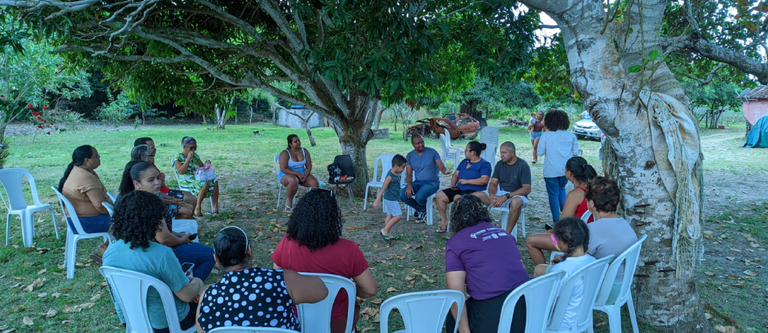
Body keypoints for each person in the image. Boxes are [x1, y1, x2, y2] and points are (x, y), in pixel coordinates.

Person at [271, 189, 378, 333]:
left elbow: (277, 279)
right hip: (337, 325)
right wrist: (347, 290)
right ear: (333, 217)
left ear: (300, 216)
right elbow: (370, 290)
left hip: (298, 322)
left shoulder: (286, 242)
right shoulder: (349, 249)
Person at [103, 190, 206, 333]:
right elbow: (186, 295)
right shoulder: (162, 254)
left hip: (132, 321)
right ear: (154, 220)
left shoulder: (110, 252)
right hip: (169, 323)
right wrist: (197, 282)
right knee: (207, 291)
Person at [196, 226, 328, 332]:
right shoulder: (280, 280)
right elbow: (322, 291)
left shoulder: (207, 297)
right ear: (249, 251)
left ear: (216, 260)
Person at [445, 195, 529, 333]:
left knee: (452, 313)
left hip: (493, 313)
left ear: (456, 218)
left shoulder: (455, 243)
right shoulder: (504, 233)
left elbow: (456, 293)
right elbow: (522, 270)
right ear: (483, 212)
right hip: (526, 307)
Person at [122, 161, 215, 280]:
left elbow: (158, 232)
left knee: (197, 248)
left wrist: (179, 235)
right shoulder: (150, 204)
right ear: (137, 183)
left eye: (158, 178)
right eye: (151, 180)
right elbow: (164, 239)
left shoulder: (132, 200)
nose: (157, 183)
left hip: (141, 254)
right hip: (157, 256)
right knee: (210, 254)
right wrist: (181, 240)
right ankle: (188, 287)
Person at [526, 156, 597, 265]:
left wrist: (552, 230)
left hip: (572, 240)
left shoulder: (575, 195)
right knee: (550, 239)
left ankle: (544, 274)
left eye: (565, 170)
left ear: (570, 173)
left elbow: (564, 224)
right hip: (589, 236)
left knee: (531, 240)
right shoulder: (594, 191)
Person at [533, 217, 595, 331]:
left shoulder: (561, 270)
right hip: (580, 318)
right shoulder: (593, 261)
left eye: (555, 239)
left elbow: (550, 302)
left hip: (560, 324)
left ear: (563, 242)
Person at [585, 177, 638, 302]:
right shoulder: (623, 223)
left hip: (606, 291)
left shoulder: (593, 229)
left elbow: (577, 259)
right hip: (622, 286)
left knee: (547, 274)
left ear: (591, 203)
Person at [58, 145, 112, 259]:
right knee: (127, 222)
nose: (99, 158)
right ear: (87, 160)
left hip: (77, 220)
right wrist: (117, 213)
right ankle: (108, 253)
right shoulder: (86, 177)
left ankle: (107, 249)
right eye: (97, 156)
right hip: (85, 223)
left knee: (124, 220)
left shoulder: (79, 171)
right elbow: (101, 206)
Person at [435, 141, 491, 233]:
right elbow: (456, 174)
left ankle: (461, 226)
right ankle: (444, 221)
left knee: (458, 198)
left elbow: (484, 180)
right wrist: (453, 183)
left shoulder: (484, 164)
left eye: (466, 150)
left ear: (473, 152)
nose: (464, 152)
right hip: (459, 188)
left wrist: (467, 181)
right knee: (440, 195)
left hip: (474, 191)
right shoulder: (464, 162)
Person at [537, 109, 580, 223]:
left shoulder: (546, 136)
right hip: (566, 170)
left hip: (550, 170)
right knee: (562, 189)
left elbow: (539, 152)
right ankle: (566, 216)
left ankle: (556, 220)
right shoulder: (571, 136)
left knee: (553, 195)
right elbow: (576, 152)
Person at [135, 137, 197, 214]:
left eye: (154, 147)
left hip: (163, 193)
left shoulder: (150, 162)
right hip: (157, 199)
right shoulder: (140, 169)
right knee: (188, 208)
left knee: (193, 198)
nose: (154, 149)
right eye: (151, 148)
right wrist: (171, 200)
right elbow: (152, 193)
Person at [400, 134, 452, 223]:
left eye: (422, 142)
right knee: (402, 195)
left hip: (432, 183)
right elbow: (409, 175)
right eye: (417, 143)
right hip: (417, 182)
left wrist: (445, 171)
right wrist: (409, 185)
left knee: (419, 197)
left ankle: (421, 210)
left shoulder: (432, 152)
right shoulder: (410, 156)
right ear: (413, 144)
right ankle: (422, 209)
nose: (420, 145)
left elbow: (442, 168)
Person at [487, 142, 531, 233]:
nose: (501, 155)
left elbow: (527, 189)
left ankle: (508, 233)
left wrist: (507, 196)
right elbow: (493, 184)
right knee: (480, 198)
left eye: (504, 153)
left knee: (515, 202)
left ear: (512, 153)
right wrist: (492, 195)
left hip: (517, 194)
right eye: (500, 152)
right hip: (501, 192)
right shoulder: (499, 164)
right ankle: (482, 231)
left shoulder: (523, 166)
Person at [173, 136, 220, 216]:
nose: (193, 150)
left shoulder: (196, 156)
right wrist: (188, 159)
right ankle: (197, 208)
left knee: (214, 182)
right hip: (187, 181)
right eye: (191, 148)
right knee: (205, 184)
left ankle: (214, 208)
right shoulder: (178, 157)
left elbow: (202, 167)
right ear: (184, 147)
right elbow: (181, 171)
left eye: (195, 148)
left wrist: (206, 165)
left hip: (197, 179)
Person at [278, 134, 319, 212]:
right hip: (287, 174)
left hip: (302, 173)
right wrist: (297, 174)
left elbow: (309, 165)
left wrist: (305, 175)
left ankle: (311, 203)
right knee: (293, 181)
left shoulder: (304, 151)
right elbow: (283, 168)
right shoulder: (285, 153)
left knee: (314, 182)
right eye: (295, 141)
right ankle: (289, 202)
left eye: (299, 140)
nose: (298, 143)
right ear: (290, 144)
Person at [373, 154, 407, 241]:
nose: (404, 169)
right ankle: (384, 230)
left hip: (392, 198)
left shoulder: (395, 173)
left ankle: (388, 234)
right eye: (403, 167)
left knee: (390, 215)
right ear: (396, 166)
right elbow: (383, 188)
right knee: (398, 216)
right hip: (390, 199)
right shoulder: (389, 177)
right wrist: (377, 200)